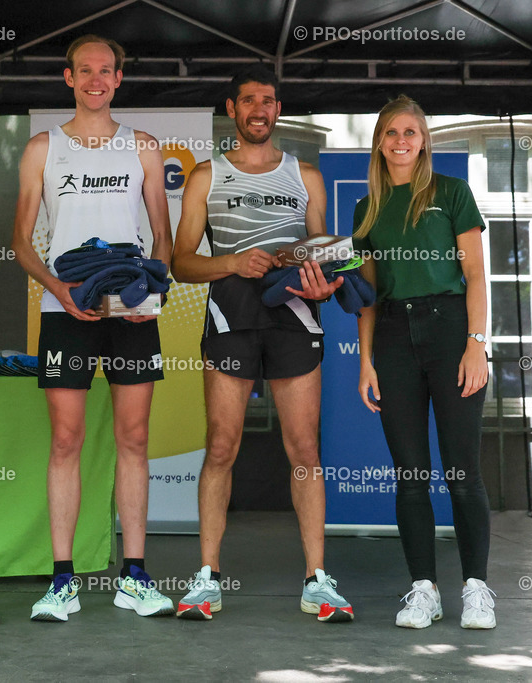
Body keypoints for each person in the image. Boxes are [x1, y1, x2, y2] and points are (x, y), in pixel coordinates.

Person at [171, 65, 354, 622]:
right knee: (221, 446)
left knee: (304, 450)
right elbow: (181, 263)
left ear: (278, 109)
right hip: (231, 314)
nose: (259, 110)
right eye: (248, 100)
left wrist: (324, 281)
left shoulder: (306, 176)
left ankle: (317, 580)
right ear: (232, 109)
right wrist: (230, 262)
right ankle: (207, 578)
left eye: (268, 101)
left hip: (295, 315)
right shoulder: (206, 176)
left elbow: (323, 252)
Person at [12, 34, 175, 621]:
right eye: (86, 71)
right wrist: (57, 290)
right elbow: (21, 242)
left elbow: (163, 237)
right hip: (66, 309)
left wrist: (151, 293)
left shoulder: (143, 147)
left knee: (134, 439)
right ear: (69, 78)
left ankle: (135, 576)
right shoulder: (42, 148)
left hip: (131, 312)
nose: (96, 80)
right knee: (66, 441)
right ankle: (63, 582)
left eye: (106, 70)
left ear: (118, 79)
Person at [353, 95, 495, 630]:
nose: (401, 141)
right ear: (379, 142)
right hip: (393, 336)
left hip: (450, 331)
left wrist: (476, 343)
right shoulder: (366, 208)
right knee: (410, 474)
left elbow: (476, 274)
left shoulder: (451, 192)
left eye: (410, 132)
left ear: (424, 140)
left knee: (463, 471)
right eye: (392, 132)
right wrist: (365, 361)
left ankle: (476, 589)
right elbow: (367, 295)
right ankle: (424, 591)